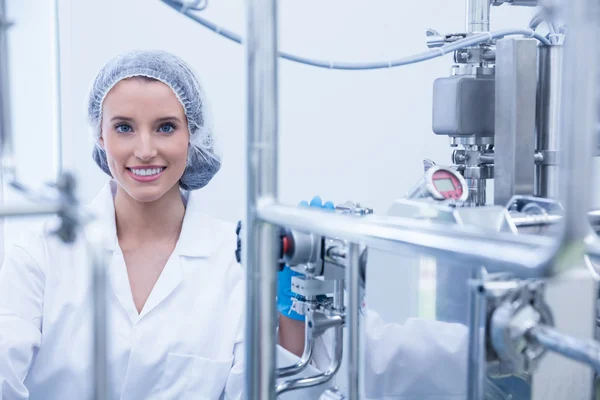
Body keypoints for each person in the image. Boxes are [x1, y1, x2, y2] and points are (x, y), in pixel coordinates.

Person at [0, 50, 244, 399]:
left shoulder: (235, 259)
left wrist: (293, 307)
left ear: (193, 134)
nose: (144, 150)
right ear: (100, 135)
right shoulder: (40, 253)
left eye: (166, 127)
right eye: (124, 127)